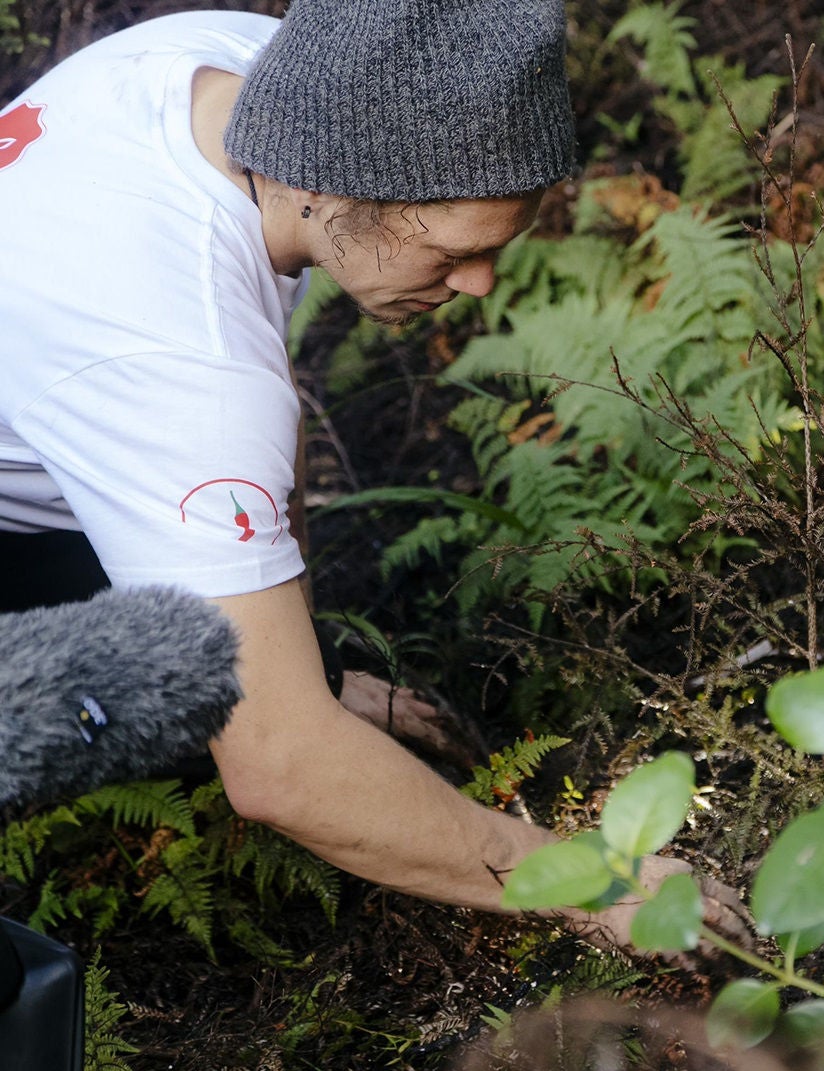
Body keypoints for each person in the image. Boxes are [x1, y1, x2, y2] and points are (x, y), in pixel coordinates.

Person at [0, 0, 748, 953]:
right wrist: (582, 884)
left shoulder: (242, 71)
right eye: (453, 251)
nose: (477, 285)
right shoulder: (178, 364)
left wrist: (301, 661)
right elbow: (280, 767)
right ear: (334, 186)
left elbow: (257, 431)